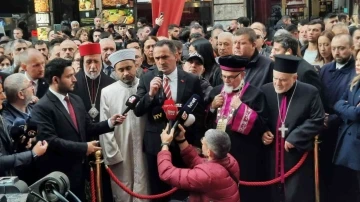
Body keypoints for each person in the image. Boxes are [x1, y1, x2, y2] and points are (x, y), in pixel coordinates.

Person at [31, 58, 124, 201]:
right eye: (69, 76)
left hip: (80, 171)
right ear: (55, 80)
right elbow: (50, 141)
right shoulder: (42, 107)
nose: (75, 79)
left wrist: (110, 123)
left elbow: (87, 128)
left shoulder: (75, 100)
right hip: (59, 174)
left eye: (74, 75)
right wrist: (84, 147)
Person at [134, 40, 204, 201]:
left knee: (183, 191)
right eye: (157, 58)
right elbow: (138, 110)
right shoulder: (147, 78)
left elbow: (200, 114)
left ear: (177, 55)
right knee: (158, 193)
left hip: (184, 145)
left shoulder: (191, 80)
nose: (161, 62)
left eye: (165, 57)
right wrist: (150, 94)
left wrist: (197, 144)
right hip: (156, 145)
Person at [261, 54, 324, 202]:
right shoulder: (266, 90)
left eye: (283, 80)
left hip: (295, 153)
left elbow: (318, 118)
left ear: (294, 78)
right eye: (275, 78)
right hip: (272, 152)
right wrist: (263, 131)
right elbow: (260, 116)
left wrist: (296, 136)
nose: (277, 83)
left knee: (295, 193)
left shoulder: (310, 92)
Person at [207, 55, 268, 202]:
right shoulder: (215, 91)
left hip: (245, 152)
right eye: (224, 77)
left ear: (242, 75)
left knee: (245, 191)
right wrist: (212, 107)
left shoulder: (255, 94)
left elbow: (262, 125)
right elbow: (206, 122)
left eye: (231, 77)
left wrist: (241, 108)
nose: (226, 81)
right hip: (219, 152)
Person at [100, 49, 149, 202]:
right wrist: (112, 154)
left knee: (145, 183)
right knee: (123, 189)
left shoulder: (146, 87)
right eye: (121, 70)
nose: (126, 73)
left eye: (129, 68)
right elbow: (105, 126)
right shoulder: (107, 92)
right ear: (115, 71)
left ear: (136, 66)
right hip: (121, 148)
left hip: (144, 146)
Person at [158, 125, 240, 202]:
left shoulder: (208, 175)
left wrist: (165, 144)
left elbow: (167, 173)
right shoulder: (229, 159)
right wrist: (181, 139)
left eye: (203, 142)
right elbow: (197, 161)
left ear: (209, 152)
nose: (201, 142)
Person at [333, 49, 360, 200]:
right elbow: (338, 103)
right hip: (349, 143)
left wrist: (348, 108)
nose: (358, 63)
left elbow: (356, 113)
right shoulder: (355, 81)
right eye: (357, 59)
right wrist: (351, 108)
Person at [73, 43, 115, 123]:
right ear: (82, 63)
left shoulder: (111, 83)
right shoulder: (73, 83)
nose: (93, 66)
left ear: (101, 63)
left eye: (96, 61)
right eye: (88, 62)